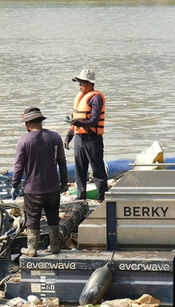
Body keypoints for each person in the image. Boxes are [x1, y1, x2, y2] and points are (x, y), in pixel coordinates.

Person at [11, 107, 69, 257]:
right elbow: (62, 162)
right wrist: (64, 182)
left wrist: (14, 184)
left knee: (32, 218)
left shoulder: (24, 140)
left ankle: (32, 249)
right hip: (53, 188)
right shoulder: (55, 137)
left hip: (33, 190)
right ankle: (55, 246)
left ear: (28, 123)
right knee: (53, 216)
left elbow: (19, 166)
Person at [64, 68, 107, 201]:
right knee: (80, 169)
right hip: (79, 138)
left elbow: (94, 120)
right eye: (79, 82)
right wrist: (68, 136)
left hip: (92, 139)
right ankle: (80, 196)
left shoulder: (96, 98)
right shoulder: (80, 98)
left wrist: (79, 124)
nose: (79, 85)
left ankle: (102, 198)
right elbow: (75, 120)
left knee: (97, 169)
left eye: (82, 82)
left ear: (89, 83)